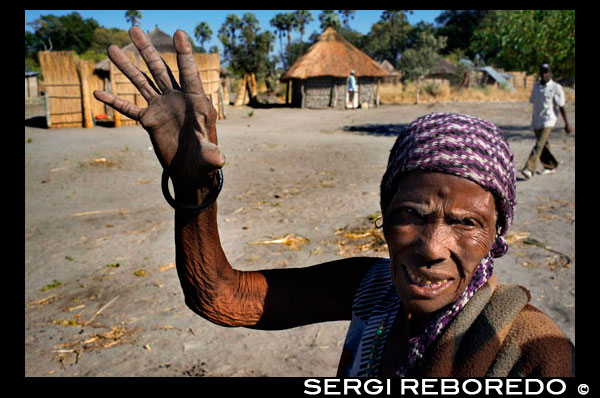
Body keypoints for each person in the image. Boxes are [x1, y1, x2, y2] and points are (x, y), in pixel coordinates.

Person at [94, 27, 574, 377]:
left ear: (496, 234)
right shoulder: (370, 289)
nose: (431, 246)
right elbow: (220, 296)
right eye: (410, 214)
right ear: (384, 215)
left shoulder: (529, 351)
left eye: (466, 222)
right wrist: (193, 190)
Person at [521, 63, 573, 180]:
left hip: (549, 120)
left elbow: (561, 106)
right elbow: (533, 102)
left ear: (550, 73)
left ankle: (529, 168)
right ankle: (550, 165)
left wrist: (567, 123)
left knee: (539, 144)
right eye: (542, 72)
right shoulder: (536, 87)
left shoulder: (556, 87)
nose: (544, 74)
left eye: (546, 72)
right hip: (537, 119)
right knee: (543, 144)